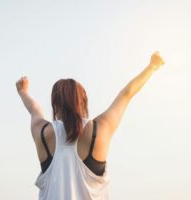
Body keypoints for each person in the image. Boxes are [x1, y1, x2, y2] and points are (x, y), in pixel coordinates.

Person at [15, 51, 165, 200]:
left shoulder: (43, 134)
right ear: (83, 102)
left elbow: (34, 108)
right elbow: (126, 94)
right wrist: (152, 66)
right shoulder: (99, 130)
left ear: (54, 104)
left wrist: (23, 92)